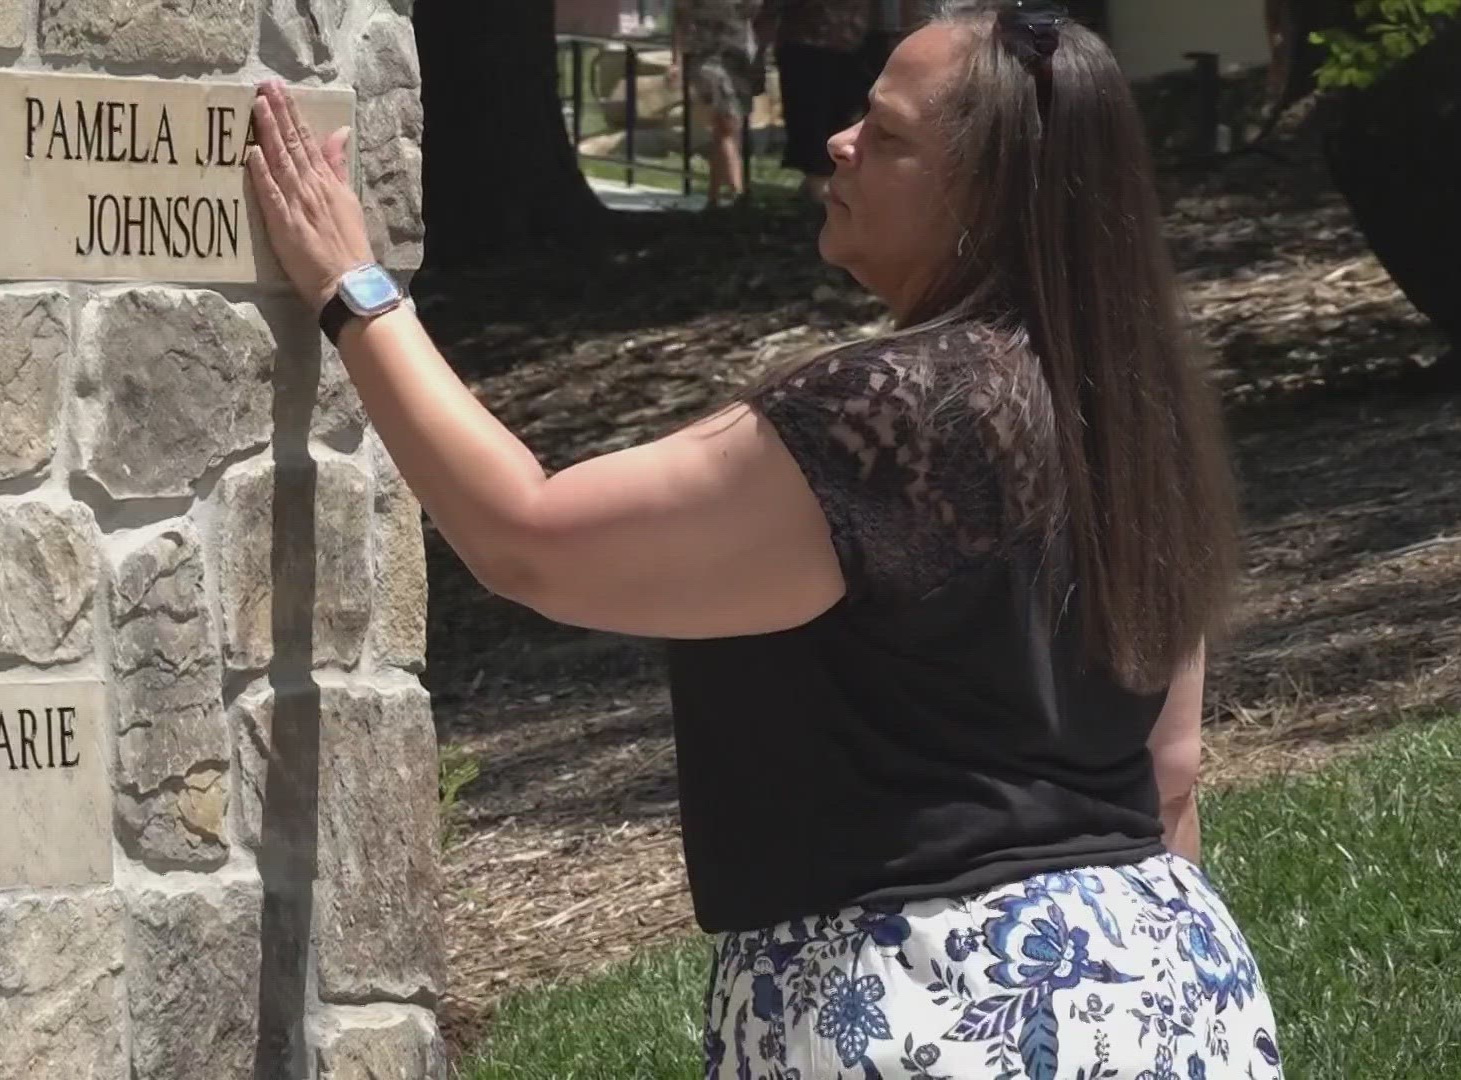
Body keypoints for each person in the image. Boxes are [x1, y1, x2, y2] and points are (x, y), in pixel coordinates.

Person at [239, 0, 1282, 1073]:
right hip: (1173, 990)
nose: (840, 141)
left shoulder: (888, 418)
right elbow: (1171, 778)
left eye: (889, 137)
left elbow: (530, 542)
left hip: (927, 1005)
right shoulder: (1133, 413)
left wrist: (355, 291)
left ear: (986, 193)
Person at [758, 0, 892, 201]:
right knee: (812, 124)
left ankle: (825, 191)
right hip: (810, 45)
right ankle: (819, 190)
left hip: (853, 45)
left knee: (839, 123)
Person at [670, 0, 765, 206]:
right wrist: (676, 61)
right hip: (705, 57)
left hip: (740, 58)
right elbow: (679, 18)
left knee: (728, 129)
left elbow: (761, 19)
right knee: (726, 122)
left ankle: (713, 199)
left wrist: (760, 59)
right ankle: (737, 193)